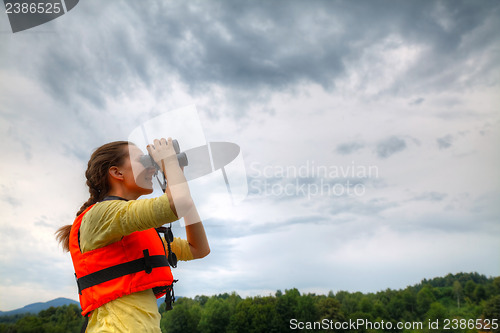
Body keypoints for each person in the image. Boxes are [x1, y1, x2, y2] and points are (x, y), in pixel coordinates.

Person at [56, 138, 209, 332]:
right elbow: (179, 203)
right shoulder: (100, 214)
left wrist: (178, 179)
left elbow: (199, 248)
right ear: (116, 172)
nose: (152, 168)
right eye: (143, 161)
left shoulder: (137, 235)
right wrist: (170, 163)